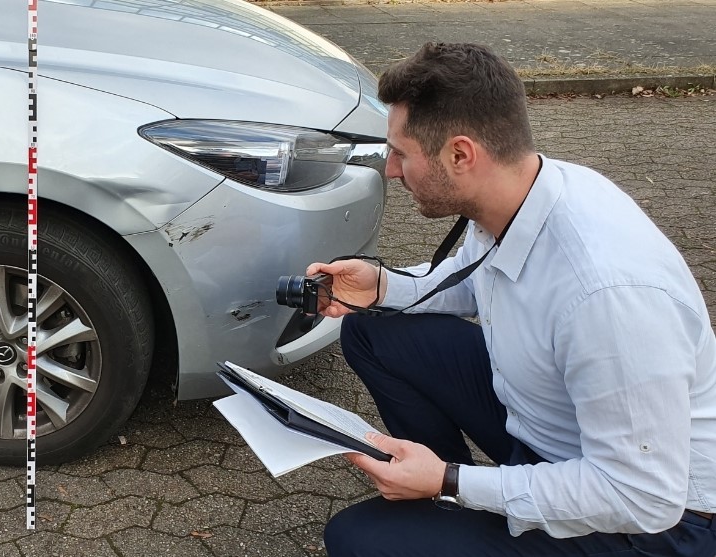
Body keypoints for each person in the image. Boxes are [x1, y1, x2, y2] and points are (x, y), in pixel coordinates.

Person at [307, 42, 716, 556]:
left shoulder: (607, 295)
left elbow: (643, 497)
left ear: (460, 154)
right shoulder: (524, 189)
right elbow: (472, 276)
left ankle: (445, 496)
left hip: (662, 524)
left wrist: (451, 481)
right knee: (373, 323)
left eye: (401, 153)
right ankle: (437, 501)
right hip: (555, 436)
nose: (391, 170)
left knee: (356, 540)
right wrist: (383, 286)